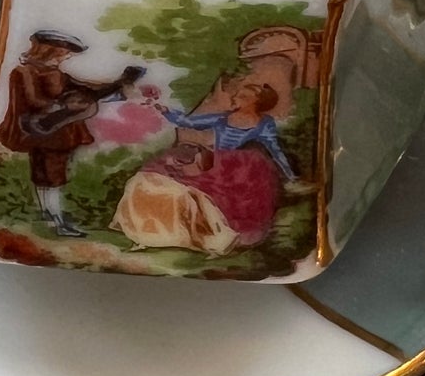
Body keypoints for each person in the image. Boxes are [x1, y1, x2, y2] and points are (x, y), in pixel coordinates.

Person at [113, 78, 301, 255]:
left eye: (243, 96)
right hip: (213, 158)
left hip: (237, 165)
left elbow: (275, 149)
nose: (235, 98)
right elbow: (189, 122)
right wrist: (165, 111)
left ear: (256, 102)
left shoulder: (264, 124)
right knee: (154, 177)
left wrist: (291, 175)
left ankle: (207, 234)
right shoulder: (224, 118)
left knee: (206, 194)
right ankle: (153, 231)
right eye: (238, 94)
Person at [0, 31, 144, 236]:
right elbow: (33, 100)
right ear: (50, 51)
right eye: (64, 53)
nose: (66, 57)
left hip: (56, 131)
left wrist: (118, 83)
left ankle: (49, 214)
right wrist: (64, 104)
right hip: (43, 130)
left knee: (50, 173)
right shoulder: (24, 73)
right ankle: (56, 220)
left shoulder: (59, 75)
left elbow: (87, 88)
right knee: (47, 174)